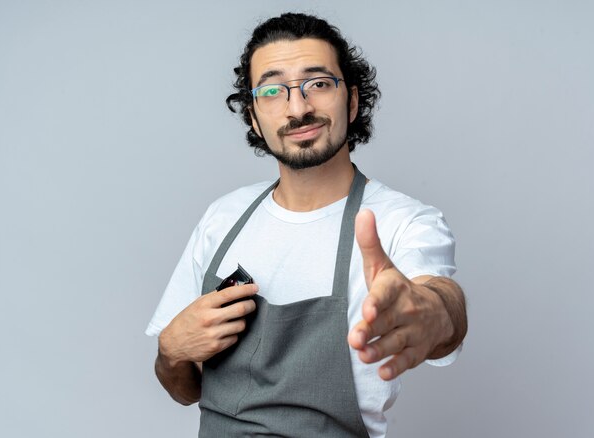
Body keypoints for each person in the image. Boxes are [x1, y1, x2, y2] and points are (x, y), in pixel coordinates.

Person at [146, 12, 467, 438]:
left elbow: (443, 307)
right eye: (274, 90)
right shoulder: (222, 218)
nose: (298, 108)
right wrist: (170, 352)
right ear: (254, 117)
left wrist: (433, 312)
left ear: (352, 100)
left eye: (318, 83)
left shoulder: (401, 222)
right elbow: (184, 390)